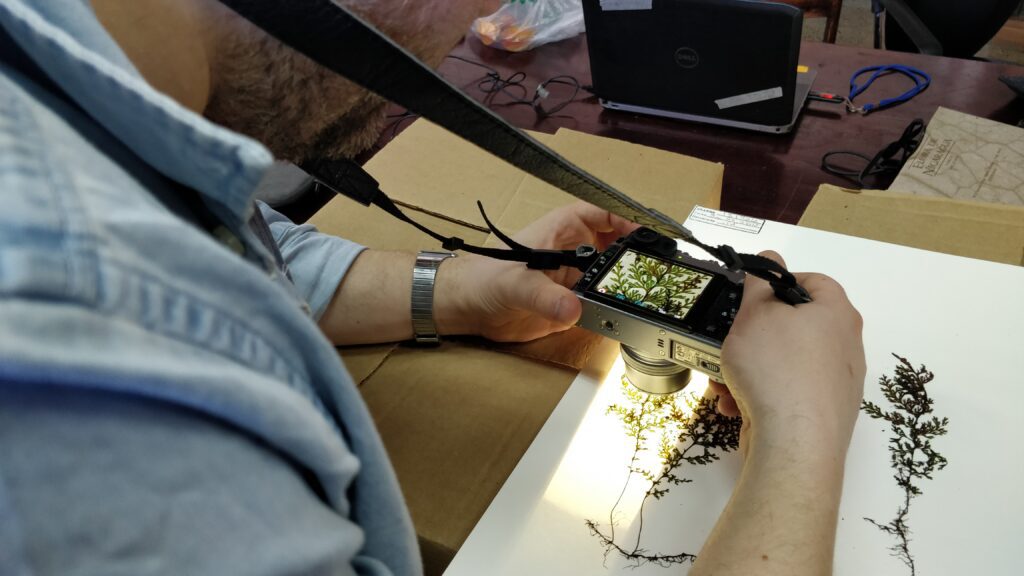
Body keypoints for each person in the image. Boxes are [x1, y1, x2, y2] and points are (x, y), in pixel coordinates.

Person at [0, 1, 865, 575]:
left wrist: (459, 291)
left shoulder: (62, 81)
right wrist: (804, 434)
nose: (465, 34)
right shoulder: (76, 355)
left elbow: (262, 259)